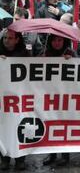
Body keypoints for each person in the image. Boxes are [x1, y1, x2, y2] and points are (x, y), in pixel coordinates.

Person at [42, 35, 74, 167]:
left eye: (60, 40)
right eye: (54, 40)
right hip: (49, 96)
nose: (56, 43)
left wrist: (71, 60)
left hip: (66, 96)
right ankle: (52, 153)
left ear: (64, 41)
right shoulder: (45, 53)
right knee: (50, 125)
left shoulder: (70, 53)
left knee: (64, 125)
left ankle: (65, 155)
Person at [0, 30, 28, 170]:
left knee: (19, 128)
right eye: (5, 37)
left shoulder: (25, 54)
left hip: (19, 99)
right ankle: (4, 158)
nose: (6, 40)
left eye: (10, 38)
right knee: (3, 129)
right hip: (3, 100)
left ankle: (20, 159)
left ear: (17, 40)